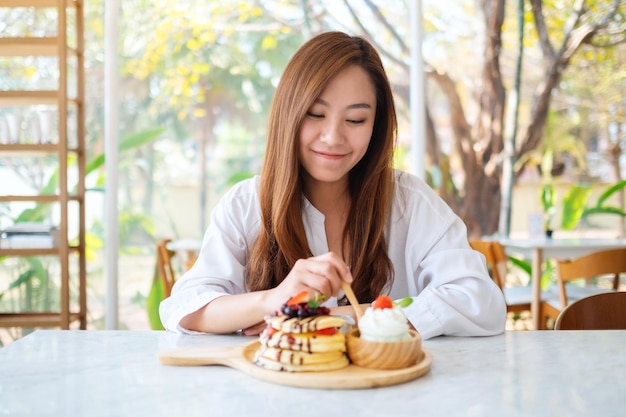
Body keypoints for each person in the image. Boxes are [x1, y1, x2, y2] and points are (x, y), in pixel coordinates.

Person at [159, 31, 506, 340]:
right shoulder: (246, 203)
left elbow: (480, 300)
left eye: (355, 119)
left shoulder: (409, 201)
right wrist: (273, 299)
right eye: (315, 113)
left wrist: (336, 318)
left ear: (376, 125)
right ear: (289, 114)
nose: (333, 137)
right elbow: (186, 307)